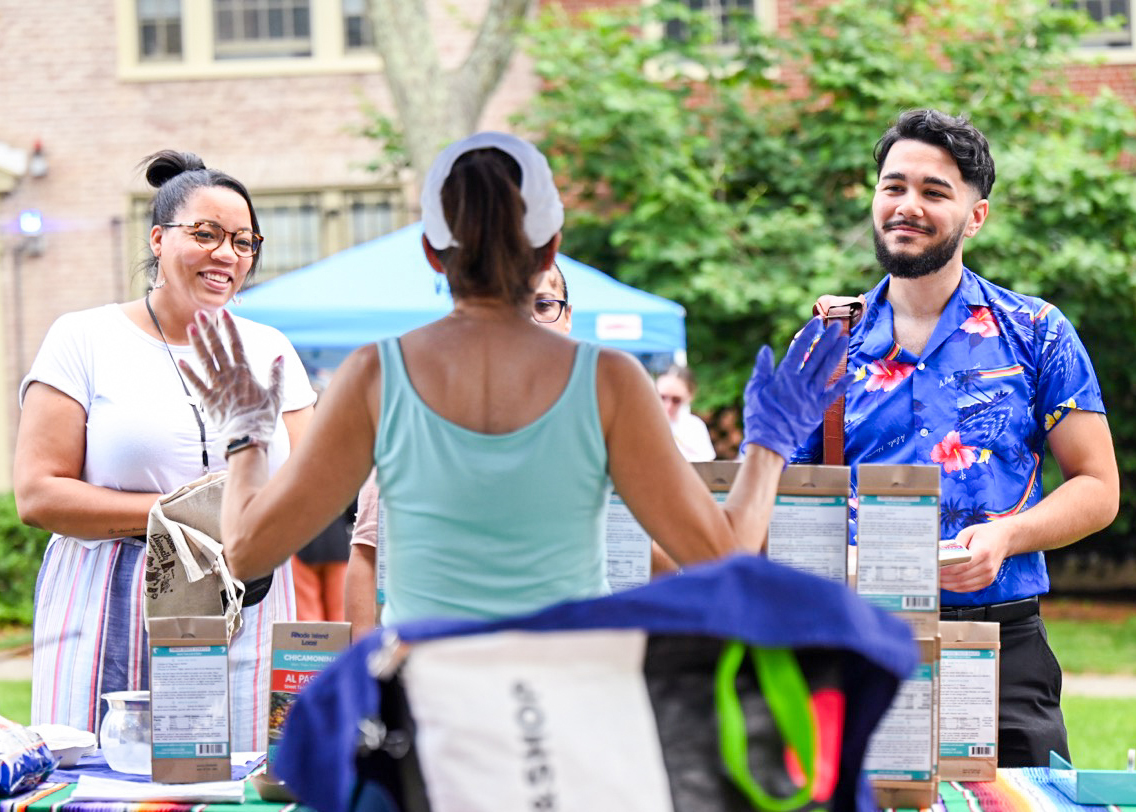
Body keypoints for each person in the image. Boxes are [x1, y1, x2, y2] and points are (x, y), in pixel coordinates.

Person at [181, 131, 850, 630]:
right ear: (552, 247)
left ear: (429, 252)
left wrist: (245, 435)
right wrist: (769, 441)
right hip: (563, 722)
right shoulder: (609, 379)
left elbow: (244, 553)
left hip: (430, 730)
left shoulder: (374, 375)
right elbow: (724, 555)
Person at [801, 109, 1119, 767]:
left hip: (1003, 650)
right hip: (864, 646)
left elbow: (1097, 487)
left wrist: (1008, 535)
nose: (906, 206)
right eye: (894, 186)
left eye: (934, 191)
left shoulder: (1039, 331)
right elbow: (777, 500)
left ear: (976, 216)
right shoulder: (829, 343)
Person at [12, 150, 316, 749]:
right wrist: (184, 516)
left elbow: (310, 485)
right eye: (205, 234)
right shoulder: (87, 337)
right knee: (105, 777)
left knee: (238, 774)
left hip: (249, 598)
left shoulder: (270, 348)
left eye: (244, 241)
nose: (227, 254)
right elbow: (38, 492)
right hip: (112, 592)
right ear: (158, 238)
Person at [343, 259, 576, 635]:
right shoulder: (417, 420)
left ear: (567, 319)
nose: (529, 320)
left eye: (544, 305)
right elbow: (368, 553)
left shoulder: (595, 423)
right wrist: (364, 672)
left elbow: (657, 551)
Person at [656, 365, 715, 462]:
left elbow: (707, 464)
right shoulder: (644, 423)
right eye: (662, 397)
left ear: (689, 396)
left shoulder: (694, 426)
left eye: (676, 400)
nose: (668, 405)